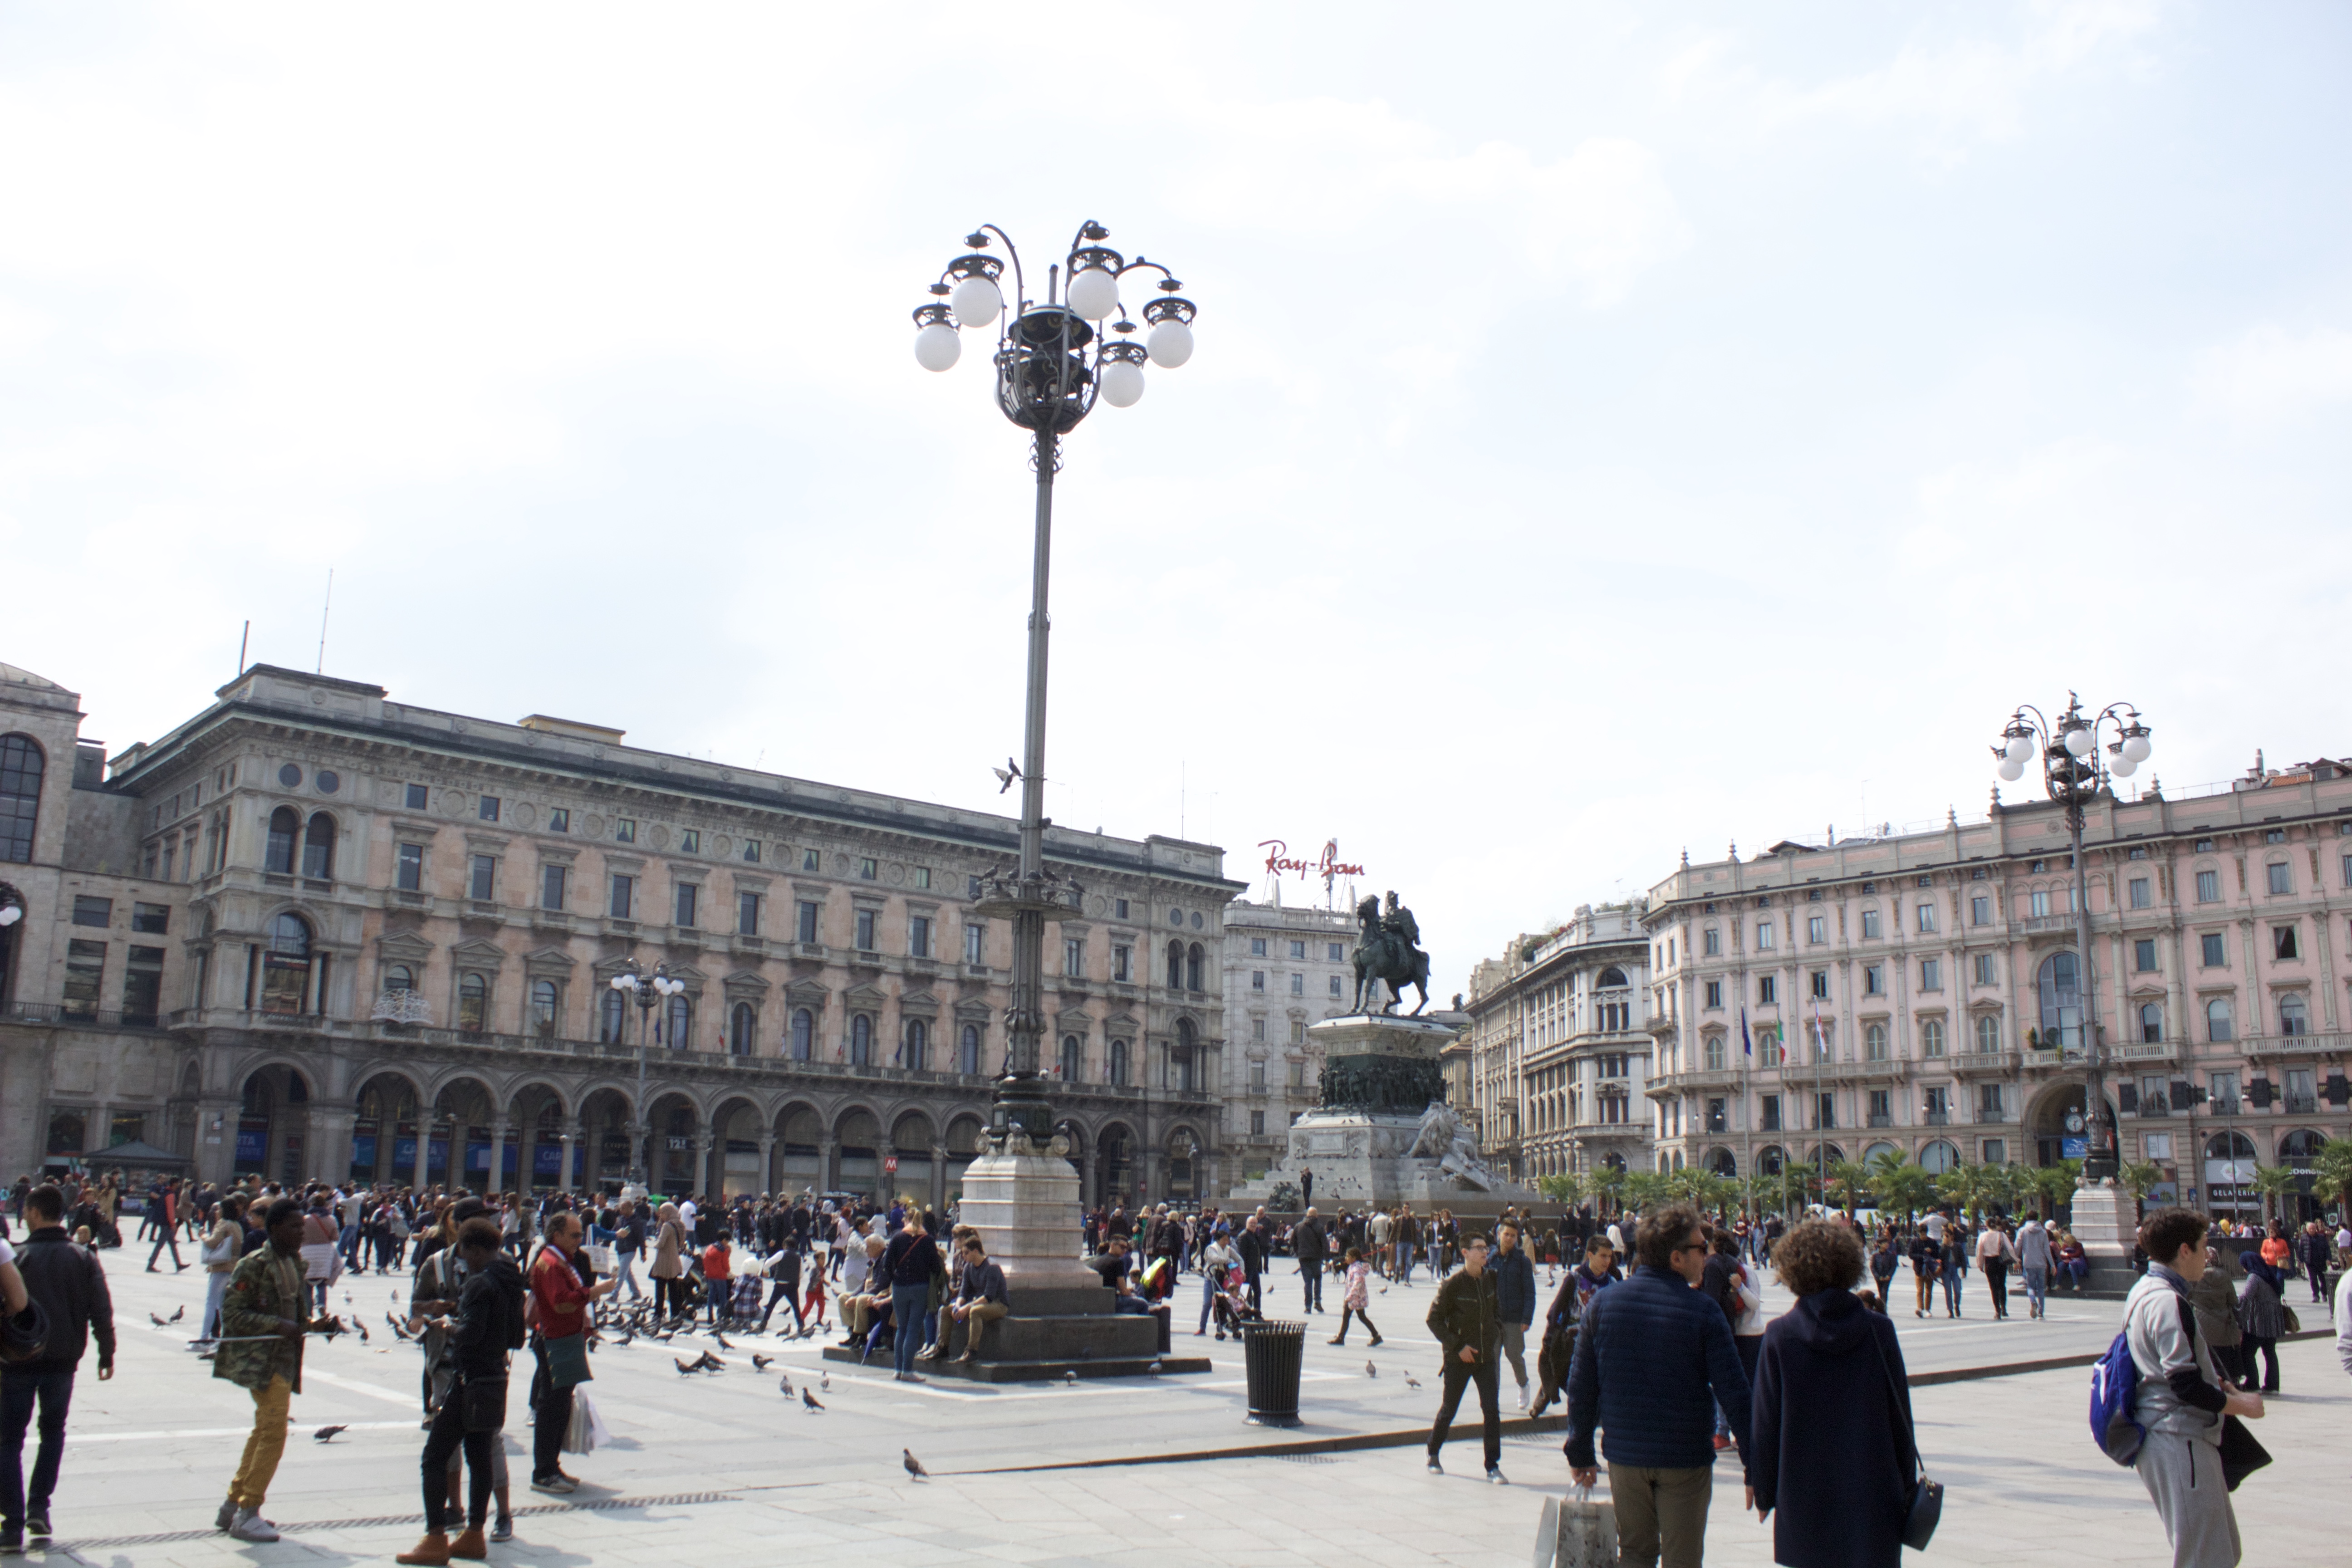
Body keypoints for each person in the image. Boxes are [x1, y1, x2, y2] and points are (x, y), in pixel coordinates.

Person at [1566, 1204, 1751, 1568]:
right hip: (1683, 1460)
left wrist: (1580, 1451)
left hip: (1625, 1457)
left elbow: (1582, 1386)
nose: (1708, 1253)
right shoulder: (1704, 1311)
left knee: (1634, 1555)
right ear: (1677, 1258)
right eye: (1702, 1247)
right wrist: (1756, 1464)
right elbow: (1735, 1392)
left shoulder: (1603, 1304)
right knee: (1683, 1559)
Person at [1749, 1219, 1916, 1568]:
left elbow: (1765, 1421)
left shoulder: (1780, 1335)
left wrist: (1764, 1489)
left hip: (1804, 1490)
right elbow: (1900, 1415)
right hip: (1873, 1487)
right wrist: (1906, 1484)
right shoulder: (1879, 1330)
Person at [2123, 1209, 2264, 1568]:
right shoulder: (2164, 1300)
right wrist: (2241, 1405)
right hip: (2177, 1436)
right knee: (2205, 1557)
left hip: (2177, 1437)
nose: (2207, 1254)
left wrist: (2219, 1383)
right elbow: (2184, 1383)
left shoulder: (2149, 1291)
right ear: (2185, 1251)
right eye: (2204, 1246)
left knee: (2222, 1550)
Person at [211, 1197, 342, 1543]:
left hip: (284, 1360)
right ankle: (248, 1511)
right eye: (295, 1227)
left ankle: (232, 1506)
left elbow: (297, 1318)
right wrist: (277, 1324)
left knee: (264, 1431)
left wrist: (317, 1325)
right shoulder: (253, 1265)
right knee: (273, 1432)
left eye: (303, 1226)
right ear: (274, 1229)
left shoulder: (295, 1264)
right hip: (261, 1362)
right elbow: (233, 1316)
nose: (302, 1232)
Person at [397, 1216, 524, 1566]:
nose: (464, 1261)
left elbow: (470, 1333)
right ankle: (474, 1535)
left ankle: (436, 1537)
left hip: (469, 1382)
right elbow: (517, 1336)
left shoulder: (480, 1284)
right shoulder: (511, 1280)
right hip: (496, 1379)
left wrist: (448, 1326)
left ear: (475, 1250)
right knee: (480, 1457)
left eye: (466, 1254)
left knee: (434, 1457)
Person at [3, 1186, 108, 1553]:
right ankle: (39, 1507)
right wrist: (106, 1353)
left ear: (32, 1212)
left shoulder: (16, 1256)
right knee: (53, 1433)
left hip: (17, 1362)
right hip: (64, 1362)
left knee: (8, 1441)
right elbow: (101, 1308)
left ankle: (12, 1525)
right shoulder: (82, 1256)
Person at [528, 1212, 612, 1495]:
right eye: (575, 1235)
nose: (580, 1240)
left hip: (564, 1339)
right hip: (556, 1340)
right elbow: (562, 1304)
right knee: (551, 1408)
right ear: (557, 1235)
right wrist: (594, 1292)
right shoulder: (551, 1263)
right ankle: (544, 1472)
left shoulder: (560, 1260)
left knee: (559, 1406)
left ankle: (551, 1466)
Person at [1423, 1233, 1504, 1483]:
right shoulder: (1453, 1285)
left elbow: (1496, 1312)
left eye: (1486, 1248)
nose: (1485, 1252)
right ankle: (1433, 1451)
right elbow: (1434, 1320)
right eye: (1479, 1248)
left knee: (1491, 1411)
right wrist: (1458, 1347)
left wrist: (1495, 1334)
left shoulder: (1491, 1278)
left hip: (1485, 1357)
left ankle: (1492, 1465)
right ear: (1465, 1253)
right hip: (1459, 1358)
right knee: (1450, 1409)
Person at [880, 1217, 941, 1383]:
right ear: (922, 1222)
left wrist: (895, 1277)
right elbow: (936, 1266)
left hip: (899, 1287)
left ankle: (898, 1370)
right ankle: (908, 1371)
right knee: (913, 1330)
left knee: (901, 1328)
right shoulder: (928, 1240)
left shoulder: (898, 1237)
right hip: (920, 1287)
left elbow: (887, 1263)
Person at [932, 1233, 1006, 1363]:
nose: (963, 1256)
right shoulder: (968, 1267)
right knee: (945, 1310)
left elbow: (988, 1297)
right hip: (978, 1302)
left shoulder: (992, 1267)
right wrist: (958, 1306)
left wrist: (967, 1307)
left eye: (966, 1253)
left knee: (975, 1311)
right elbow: (964, 1292)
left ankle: (972, 1351)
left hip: (998, 1304)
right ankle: (942, 1348)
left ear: (976, 1251)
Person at [1490, 1221, 1535, 1410]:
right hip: (1494, 1318)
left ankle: (1523, 1384)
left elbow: (1529, 1292)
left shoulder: (1523, 1261)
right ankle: (1493, 1399)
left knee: (1514, 1355)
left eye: (1513, 1236)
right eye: (1506, 1234)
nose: (1509, 1238)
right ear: (1499, 1235)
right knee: (1493, 1360)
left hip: (1515, 1318)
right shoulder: (1491, 1260)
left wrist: (1527, 1318)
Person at [2235, 1248, 2285, 1394]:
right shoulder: (2270, 1276)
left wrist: (2233, 1302)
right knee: (2270, 1353)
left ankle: (2253, 1384)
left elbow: (2247, 1297)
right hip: (2273, 1323)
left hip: (2258, 1323)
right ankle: (2273, 1385)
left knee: (2247, 1352)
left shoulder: (2254, 1277)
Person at [199, 1196, 245, 1342]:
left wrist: (203, 1236)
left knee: (211, 1302)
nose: (217, 1211)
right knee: (223, 1304)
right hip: (233, 1266)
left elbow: (213, 1243)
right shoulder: (237, 1225)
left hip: (221, 1267)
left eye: (219, 1208)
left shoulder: (223, 1224)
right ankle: (226, 1335)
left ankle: (204, 1337)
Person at [1327, 1247, 1383, 1348]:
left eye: (1348, 1256)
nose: (1346, 1258)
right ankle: (1376, 1336)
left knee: (1348, 1317)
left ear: (1354, 1258)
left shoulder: (1356, 1268)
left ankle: (1341, 1338)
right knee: (1360, 1317)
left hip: (1355, 1298)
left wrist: (1349, 1297)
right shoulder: (1353, 1266)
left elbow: (1358, 1283)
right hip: (1358, 1297)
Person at [143, 1177, 187, 1273]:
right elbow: (170, 1210)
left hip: (163, 1222)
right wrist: (173, 1224)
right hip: (167, 1224)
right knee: (160, 1245)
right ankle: (150, 1265)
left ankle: (178, 1264)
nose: (179, 1185)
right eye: (178, 1183)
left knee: (172, 1244)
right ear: (174, 1184)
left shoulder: (164, 1192)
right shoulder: (170, 1195)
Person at [2015, 1211, 2053, 1321]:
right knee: (2041, 1288)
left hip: (2028, 1262)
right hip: (2041, 1263)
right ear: (2038, 1218)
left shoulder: (2023, 1231)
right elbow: (2047, 1249)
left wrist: (2015, 1259)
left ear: (2027, 1218)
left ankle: (2033, 1301)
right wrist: (2052, 1264)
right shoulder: (2043, 1232)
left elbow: (2017, 1245)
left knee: (2030, 1287)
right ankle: (2041, 1312)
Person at [1976, 1220, 2015, 1320]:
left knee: (1993, 1287)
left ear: (1987, 1226)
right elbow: (2010, 1248)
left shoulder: (1983, 1236)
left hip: (1989, 1261)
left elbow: (1980, 1250)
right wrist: (2015, 1259)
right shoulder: (2001, 1235)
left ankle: (1997, 1310)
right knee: (2002, 1285)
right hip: (2001, 1261)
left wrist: (1980, 1264)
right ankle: (2004, 1308)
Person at [1293, 1207, 1327, 1313]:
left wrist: (1299, 1253)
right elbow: (1325, 1244)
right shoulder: (1320, 1227)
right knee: (1318, 1280)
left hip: (1304, 1258)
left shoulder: (1299, 1226)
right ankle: (1318, 1302)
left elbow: (1293, 1242)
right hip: (1316, 1258)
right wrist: (1327, 1259)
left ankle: (1308, 1307)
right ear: (1316, 1216)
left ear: (1307, 1215)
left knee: (1308, 1282)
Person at [1907, 1228, 1938, 1318]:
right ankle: (1920, 1308)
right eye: (1921, 1234)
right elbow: (1910, 1254)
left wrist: (1931, 1251)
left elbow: (1938, 1254)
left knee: (1929, 1290)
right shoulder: (1915, 1242)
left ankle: (1928, 1310)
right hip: (1919, 1269)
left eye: (1924, 1234)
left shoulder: (1932, 1242)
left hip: (1930, 1269)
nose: (1923, 1236)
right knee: (1920, 1290)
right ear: (1919, 1233)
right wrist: (1921, 1257)